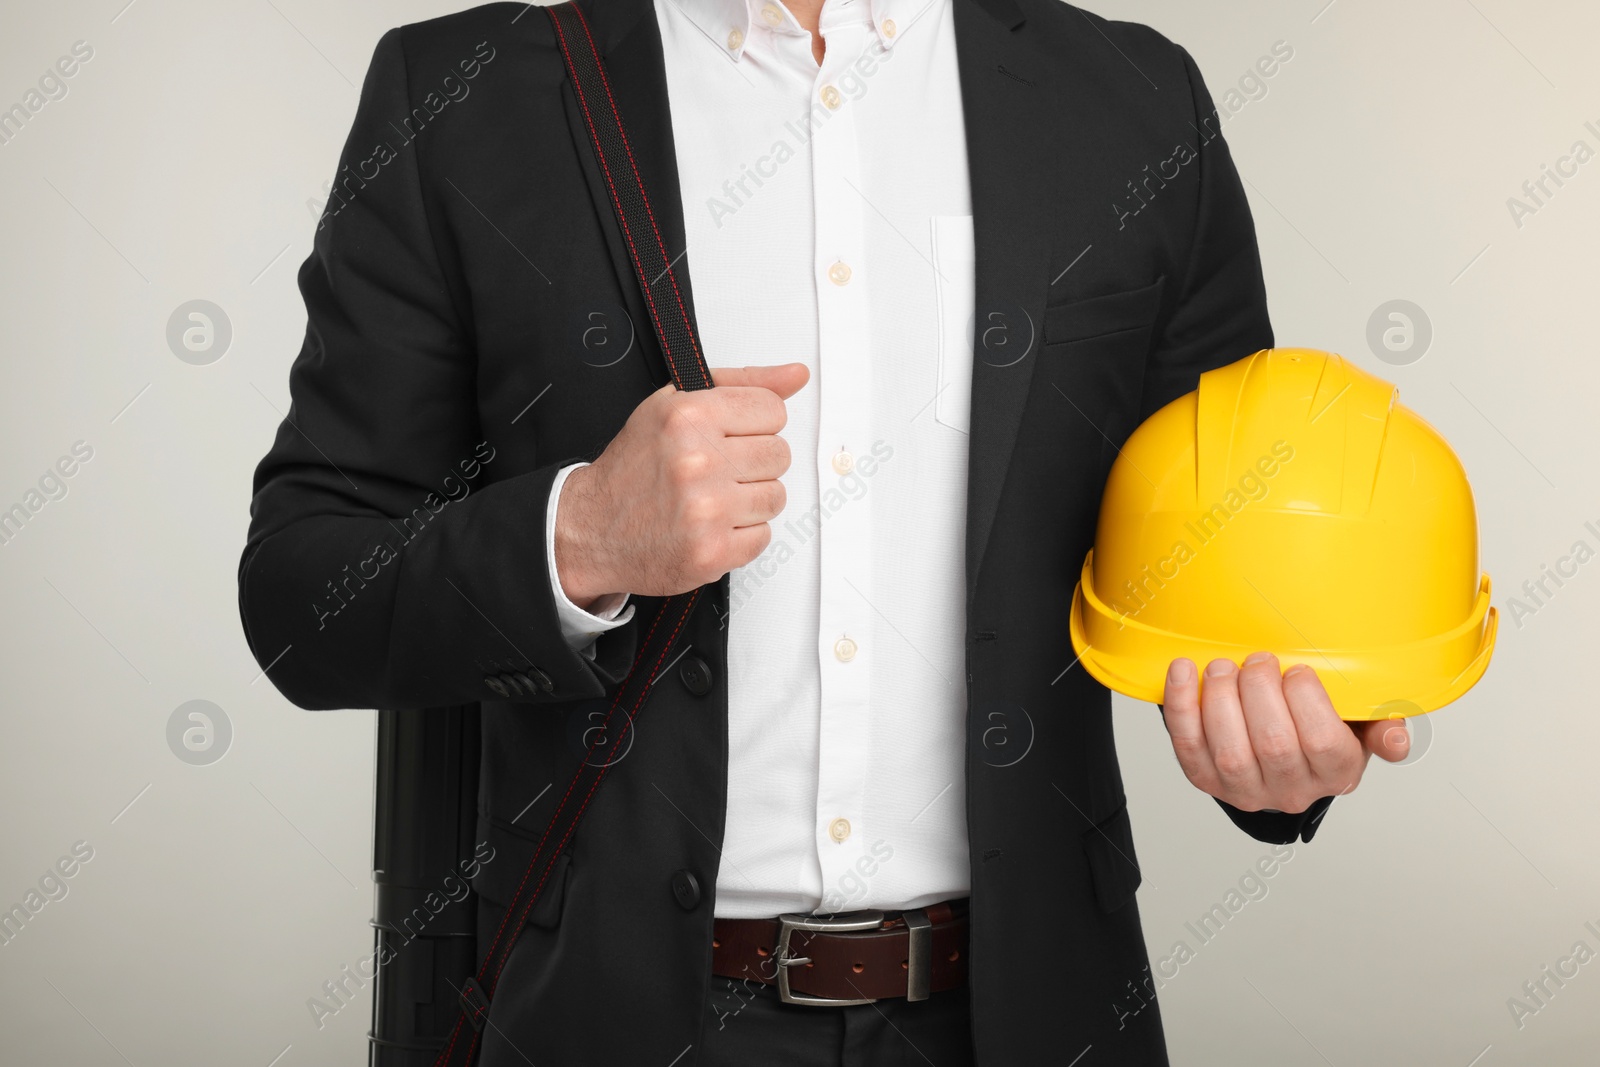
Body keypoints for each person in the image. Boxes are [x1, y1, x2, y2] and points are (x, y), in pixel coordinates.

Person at [238, 0, 1408, 1063]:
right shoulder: (465, 94)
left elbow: (1231, 566)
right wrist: (581, 535)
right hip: (613, 1019)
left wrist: (1280, 757)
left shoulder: (1137, 99)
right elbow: (302, 593)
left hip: (1031, 1016)